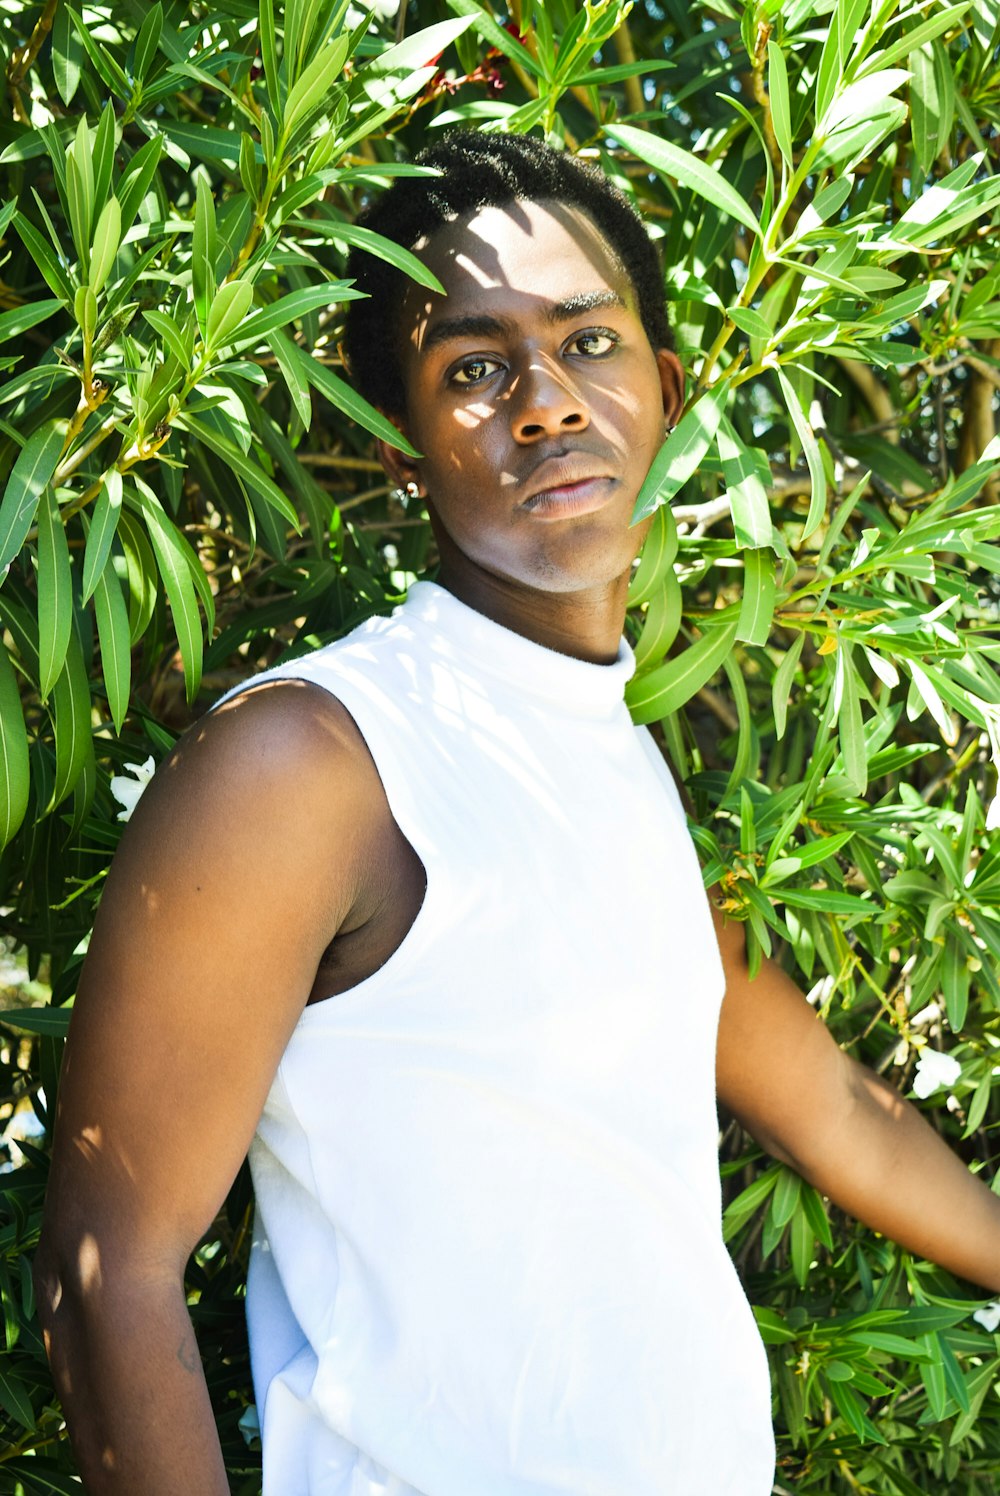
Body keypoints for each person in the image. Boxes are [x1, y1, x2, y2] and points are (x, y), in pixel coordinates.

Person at [33, 131, 1000, 1496]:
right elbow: (107, 1263)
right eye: (474, 371)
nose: (546, 400)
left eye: (588, 345)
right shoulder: (311, 758)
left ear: (664, 392)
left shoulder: (623, 765)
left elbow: (835, 1106)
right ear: (402, 447)